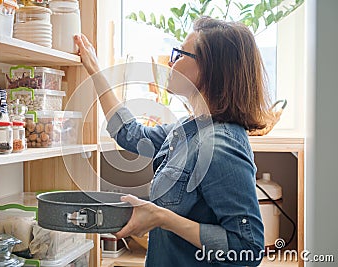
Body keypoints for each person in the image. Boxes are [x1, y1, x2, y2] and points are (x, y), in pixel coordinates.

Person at [74, 16, 270, 266]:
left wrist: (160, 217)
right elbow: (131, 134)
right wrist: (96, 71)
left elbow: (247, 249)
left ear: (209, 68)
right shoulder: (189, 129)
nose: (170, 62)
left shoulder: (220, 145)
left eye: (180, 54)